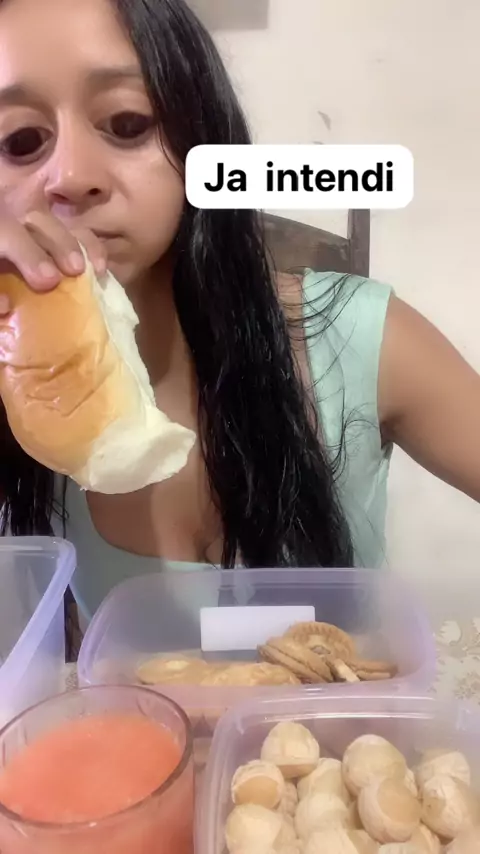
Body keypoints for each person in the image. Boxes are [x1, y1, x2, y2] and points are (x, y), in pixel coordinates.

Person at [0, 0, 479, 637]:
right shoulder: (24, 386)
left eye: (127, 122)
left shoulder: (361, 339)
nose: (71, 177)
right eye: (20, 141)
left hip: (348, 705)